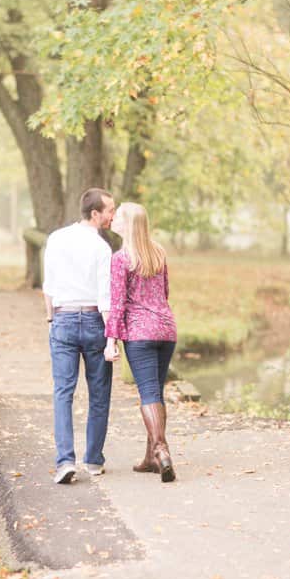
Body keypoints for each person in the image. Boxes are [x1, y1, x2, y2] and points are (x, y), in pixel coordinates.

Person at [43, 188, 117, 484]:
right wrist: (111, 336)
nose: (114, 214)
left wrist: (51, 319)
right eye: (110, 209)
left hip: (62, 317)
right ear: (95, 214)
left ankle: (65, 461)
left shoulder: (57, 238)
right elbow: (105, 298)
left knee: (63, 392)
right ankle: (94, 460)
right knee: (99, 393)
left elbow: (48, 285)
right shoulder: (102, 249)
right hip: (94, 322)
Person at [105, 202, 178, 483]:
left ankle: (161, 449)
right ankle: (150, 458)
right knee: (156, 393)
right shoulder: (158, 253)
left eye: (118, 216)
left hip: (139, 333)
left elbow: (118, 303)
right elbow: (166, 291)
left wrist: (111, 340)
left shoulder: (121, 258)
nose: (113, 220)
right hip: (166, 330)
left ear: (128, 224)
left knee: (148, 393)